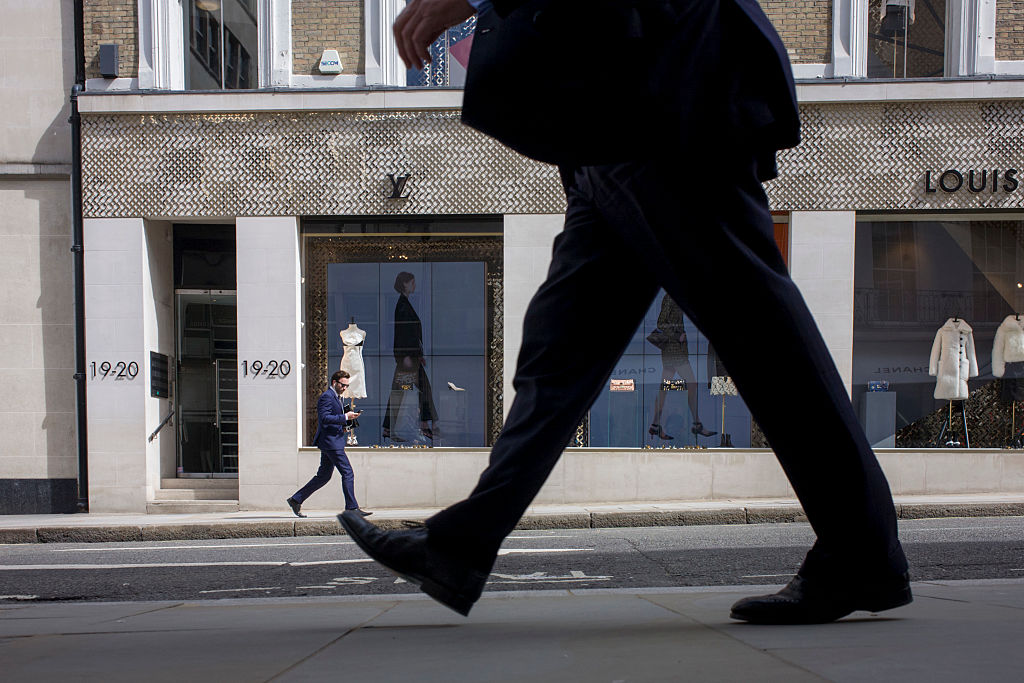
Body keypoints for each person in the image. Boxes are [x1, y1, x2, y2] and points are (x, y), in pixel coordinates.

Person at [339, 0, 911, 624]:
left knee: (763, 338)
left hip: (662, 92)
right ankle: (458, 547)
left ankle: (862, 553)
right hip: (611, 108)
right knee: (558, 356)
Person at [287, 371, 371, 518]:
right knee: (347, 472)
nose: (345, 388)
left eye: (347, 385)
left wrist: (344, 426)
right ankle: (351, 508)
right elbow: (324, 418)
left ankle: (296, 499)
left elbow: (331, 420)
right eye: (343, 385)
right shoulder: (327, 397)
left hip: (332, 440)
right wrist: (345, 416)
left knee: (323, 476)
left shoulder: (337, 397)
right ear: (334, 383)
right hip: (331, 443)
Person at [647, 293, 716, 441]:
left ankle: (655, 425)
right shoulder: (670, 297)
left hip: (674, 351)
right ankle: (697, 424)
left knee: (664, 388)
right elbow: (661, 323)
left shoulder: (675, 297)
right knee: (691, 384)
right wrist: (676, 336)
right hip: (674, 351)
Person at [381, 272, 439, 444]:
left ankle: (391, 427)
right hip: (407, 359)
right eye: (412, 282)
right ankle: (423, 424)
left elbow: (410, 334)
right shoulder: (402, 306)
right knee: (411, 390)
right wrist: (404, 356)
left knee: (407, 391)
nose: (414, 285)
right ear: (405, 284)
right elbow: (402, 333)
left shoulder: (404, 304)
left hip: (411, 357)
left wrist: (417, 355)